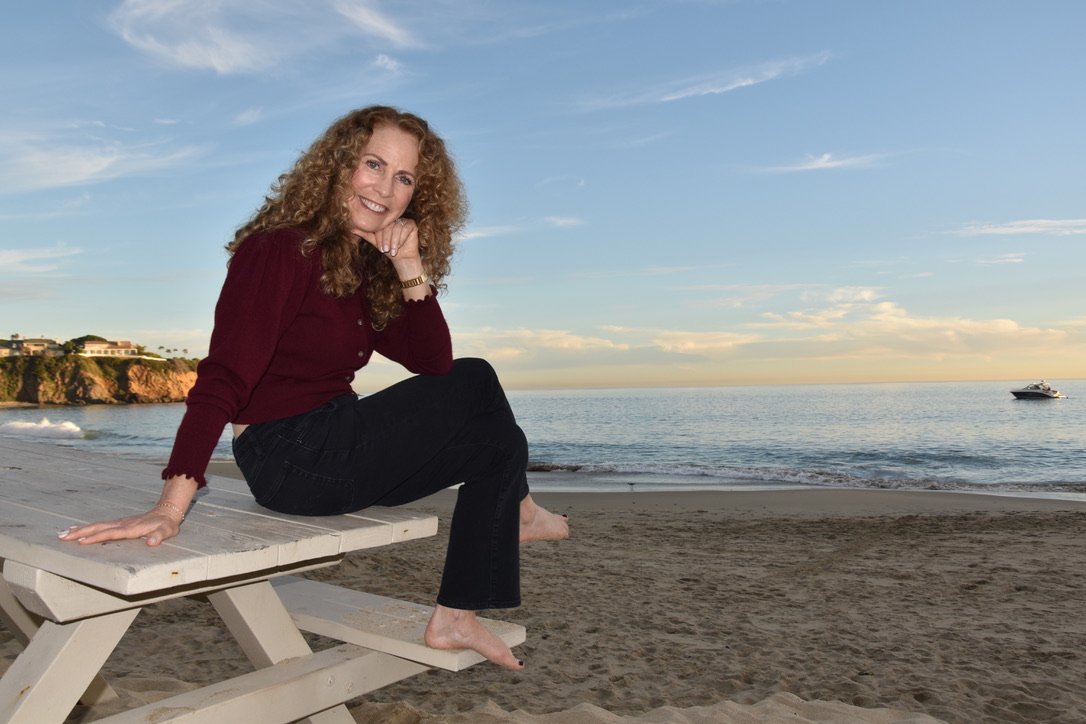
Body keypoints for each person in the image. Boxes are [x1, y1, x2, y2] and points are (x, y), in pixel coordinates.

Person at [60, 105, 569, 671]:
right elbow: (224, 376)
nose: (385, 188)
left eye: (404, 178)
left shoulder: (364, 267)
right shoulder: (280, 249)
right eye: (373, 165)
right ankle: (520, 511)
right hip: (288, 455)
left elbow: (431, 360)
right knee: (479, 378)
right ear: (338, 166)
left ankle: (456, 615)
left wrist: (409, 265)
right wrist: (170, 507)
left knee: (498, 445)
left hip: (334, 454)